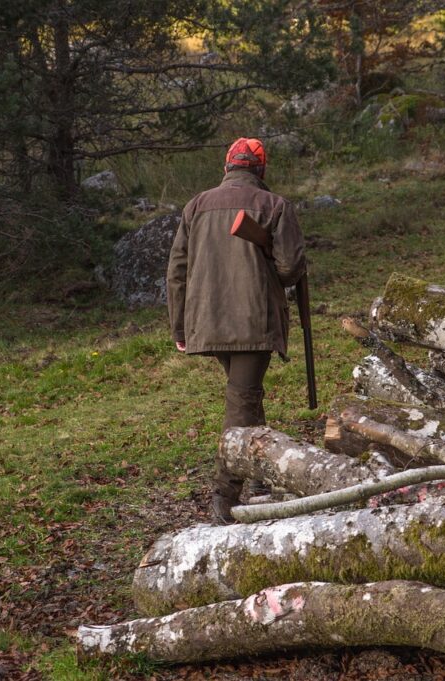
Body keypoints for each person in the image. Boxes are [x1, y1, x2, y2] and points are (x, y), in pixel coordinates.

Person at [166, 138, 307, 523]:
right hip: (252, 320)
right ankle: (224, 496)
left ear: (227, 166)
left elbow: (177, 270)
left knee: (245, 395)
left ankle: (258, 475)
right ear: (260, 169)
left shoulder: (196, 205)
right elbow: (289, 270)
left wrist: (180, 327)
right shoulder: (275, 205)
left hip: (206, 321)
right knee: (241, 404)